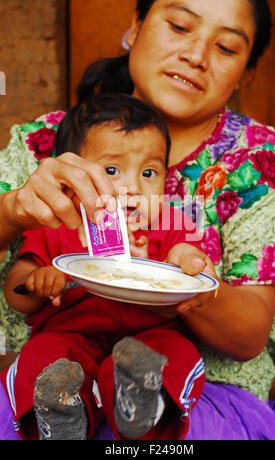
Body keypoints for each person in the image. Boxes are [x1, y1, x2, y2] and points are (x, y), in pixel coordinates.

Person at [0, 0, 275, 441]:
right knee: (50, 371)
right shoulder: (49, 142)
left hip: (203, 403)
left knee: (161, 364)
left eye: (226, 47)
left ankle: (144, 400)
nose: (196, 55)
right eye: (180, 26)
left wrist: (193, 280)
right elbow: (24, 279)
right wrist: (13, 211)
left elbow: (246, 337)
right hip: (58, 364)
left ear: (246, 72)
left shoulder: (259, 165)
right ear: (135, 27)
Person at [2, 93, 207, 441]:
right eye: (111, 170)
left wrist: (191, 264)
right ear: (72, 177)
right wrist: (40, 280)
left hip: (148, 340)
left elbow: (192, 261)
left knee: (174, 350)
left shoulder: (170, 223)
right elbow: (16, 294)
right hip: (70, 339)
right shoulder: (56, 223)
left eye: (149, 172)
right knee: (43, 355)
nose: (132, 187)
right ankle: (63, 414)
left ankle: (145, 405)